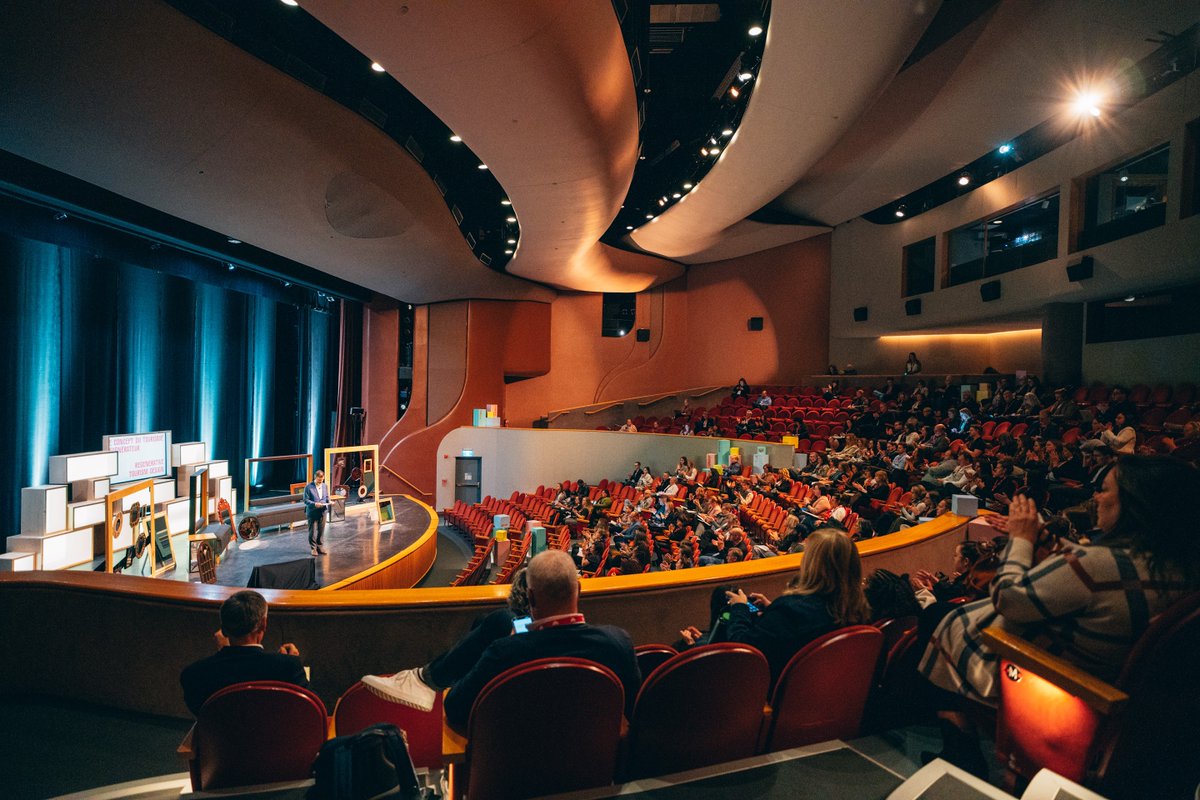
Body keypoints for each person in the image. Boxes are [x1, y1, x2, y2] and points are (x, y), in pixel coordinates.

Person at [917, 456, 1200, 775]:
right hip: (1128, 697)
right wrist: (1039, 533)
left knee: (944, 622)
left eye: (1105, 490)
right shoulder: (1180, 567)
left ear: (1134, 503)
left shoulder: (1098, 564)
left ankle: (961, 751)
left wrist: (1021, 541)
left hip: (1053, 687)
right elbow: (1081, 569)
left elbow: (1007, 597)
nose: (1096, 498)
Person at [442, 550, 641, 733]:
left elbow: (455, 707)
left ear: (530, 597)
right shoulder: (618, 643)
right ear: (578, 590)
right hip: (598, 766)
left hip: (520, 766)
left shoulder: (505, 652)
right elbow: (633, 708)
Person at [718, 527, 871, 684]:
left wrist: (740, 607)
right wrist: (772, 609)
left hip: (767, 686)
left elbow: (744, 649)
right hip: (820, 687)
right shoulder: (858, 608)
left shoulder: (790, 610)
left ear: (812, 565)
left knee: (721, 595)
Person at [362, 570, 531, 710]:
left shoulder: (512, 625)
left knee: (501, 619)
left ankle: (426, 680)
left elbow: (453, 706)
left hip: (507, 716)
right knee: (484, 621)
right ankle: (426, 679)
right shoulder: (547, 633)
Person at [180, 590, 308, 716]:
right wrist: (289, 662)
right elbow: (311, 708)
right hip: (274, 736)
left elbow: (204, 714)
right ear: (263, 624)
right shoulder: (288, 666)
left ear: (223, 630)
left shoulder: (193, 675)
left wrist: (224, 653)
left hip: (223, 737)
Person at [304, 469, 330, 555]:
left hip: (323, 511)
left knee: (321, 530)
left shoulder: (325, 486)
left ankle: (320, 546)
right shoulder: (308, 487)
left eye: (322, 480)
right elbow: (305, 500)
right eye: (319, 479)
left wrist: (330, 502)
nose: (320, 481)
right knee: (312, 531)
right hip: (312, 512)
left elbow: (326, 497)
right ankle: (313, 548)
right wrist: (315, 504)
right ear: (315, 477)